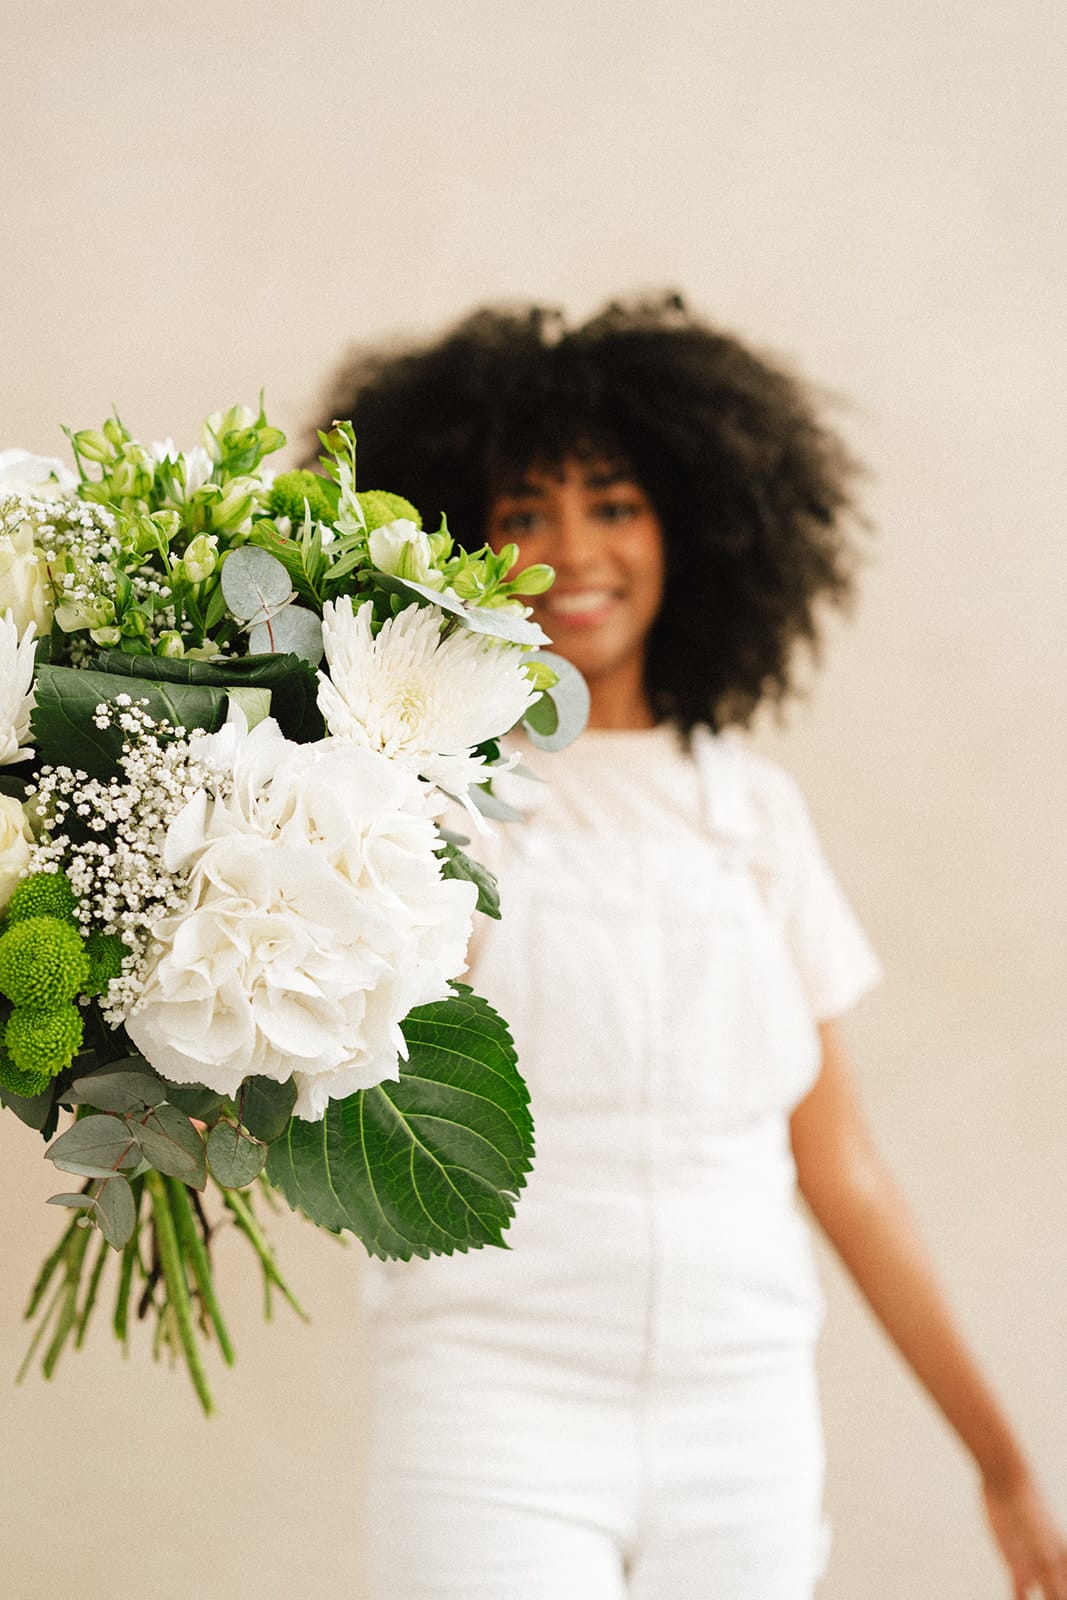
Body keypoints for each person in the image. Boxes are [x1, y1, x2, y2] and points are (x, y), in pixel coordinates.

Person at [318, 295, 1067, 1599]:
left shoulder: (752, 817)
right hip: (490, 1415)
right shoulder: (425, 804)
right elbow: (324, 1087)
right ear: (456, 547)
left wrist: (999, 1460)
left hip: (745, 1424)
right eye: (522, 513)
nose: (575, 550)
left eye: (614, 503)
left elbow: (839, 1167)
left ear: (691, 529)